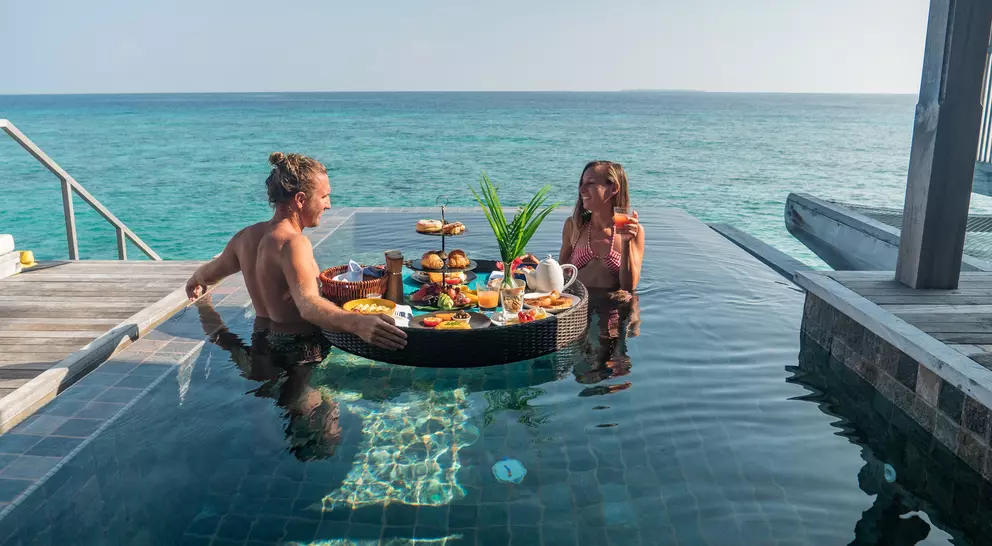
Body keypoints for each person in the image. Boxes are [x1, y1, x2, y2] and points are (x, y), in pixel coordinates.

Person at [184, 152, 407, 353]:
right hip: (299, 349)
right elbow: (307, 305)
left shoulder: (245, 237)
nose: (328, 205)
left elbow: (210, 273)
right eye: (324, 197)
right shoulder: (294, 243)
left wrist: (195, 280)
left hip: (262, 341)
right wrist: (357, 323)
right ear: (300, 200)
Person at [559, 161, 645, 292]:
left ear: (614, 188)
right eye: (582, 183)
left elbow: (629, 287)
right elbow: (559, 275)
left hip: (615, 303)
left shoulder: (635, 231)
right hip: (578, 303)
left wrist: (626, 242)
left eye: (590, 183)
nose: (581, 189)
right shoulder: (574, 226)